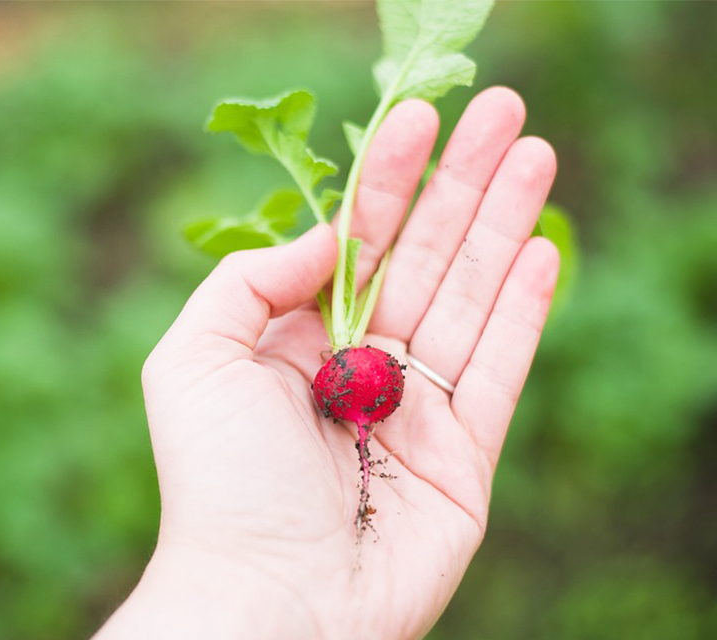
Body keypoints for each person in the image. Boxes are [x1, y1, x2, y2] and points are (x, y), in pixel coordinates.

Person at [93, 87, 559, 640]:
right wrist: (251, 563)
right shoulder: (353, 378)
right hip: (353, 375)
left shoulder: (357, 379)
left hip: (354, 376)